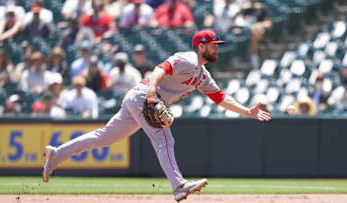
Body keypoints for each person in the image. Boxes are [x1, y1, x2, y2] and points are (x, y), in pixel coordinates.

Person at [42, 29, 271, 202]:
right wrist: (152, 93)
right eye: (213, 45)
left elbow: (221, 98)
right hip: (144, 95)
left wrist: (247, 111)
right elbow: (160, 70)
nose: (216, 48)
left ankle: (57, 153)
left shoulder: (202, 75)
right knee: (164, 139)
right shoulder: (187, 59)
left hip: (141, 98)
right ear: (201, 47)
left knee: (105, 137)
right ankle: (179, 186)